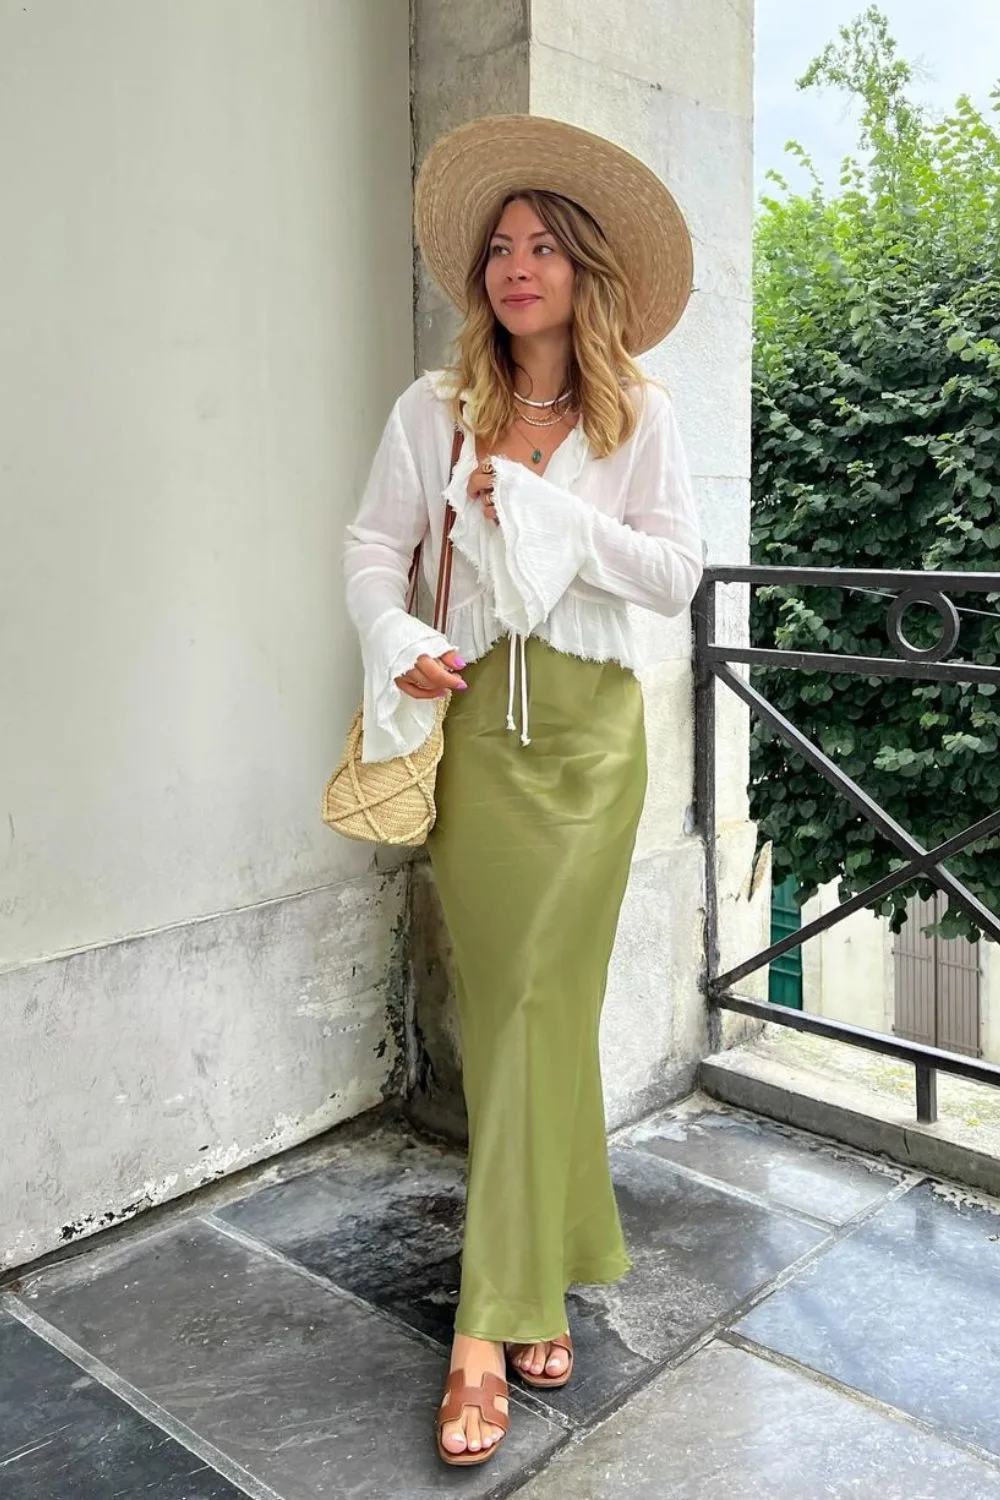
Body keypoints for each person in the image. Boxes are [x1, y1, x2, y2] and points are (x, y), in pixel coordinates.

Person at [342, 114, 702, 1468]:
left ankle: (491, 1320)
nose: (517, 265)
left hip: (594, 744)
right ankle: (543, 1271)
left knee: (548, 999)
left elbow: (674, 575)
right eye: (500, 247)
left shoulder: (638, 415)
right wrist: (397, 637)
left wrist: (549, 514)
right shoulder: (431, 413)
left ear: (587, 269)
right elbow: (374, 547)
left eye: (544, 244)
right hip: (481, 750)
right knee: (513, 1011)